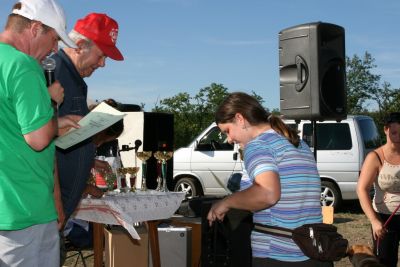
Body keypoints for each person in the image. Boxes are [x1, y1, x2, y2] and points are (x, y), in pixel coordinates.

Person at [207, 92, 329, 267]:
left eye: (227, 130)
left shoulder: (257, 146)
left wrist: (225, 203)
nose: (229, 139)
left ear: (240, 118)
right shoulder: (296, 142)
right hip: (314, 251)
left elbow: (268, 194)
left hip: (279, 254)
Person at [0, 0, 80, 265]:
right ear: (35, 28)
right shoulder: (23, 65)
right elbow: (38, 139)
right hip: (24, 208)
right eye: (54, 38)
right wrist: (54, 110)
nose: (55, 49)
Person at [52, 13, 124, 222]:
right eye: (101, 56)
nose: (102, 64)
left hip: (61, 204)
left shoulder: (74, 78)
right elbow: (40, 142)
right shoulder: (54, 72)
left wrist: (88, 160)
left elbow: (62, 138)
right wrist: (55, 199)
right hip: (48, 205)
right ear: (80, 45)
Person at [357, 112, 400, 267]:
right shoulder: (375, 156)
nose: (398, 137)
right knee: (385, 262)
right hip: (384, 219)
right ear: (386, 130)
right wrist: (374, 221)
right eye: (395, 132)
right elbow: (362, 190)